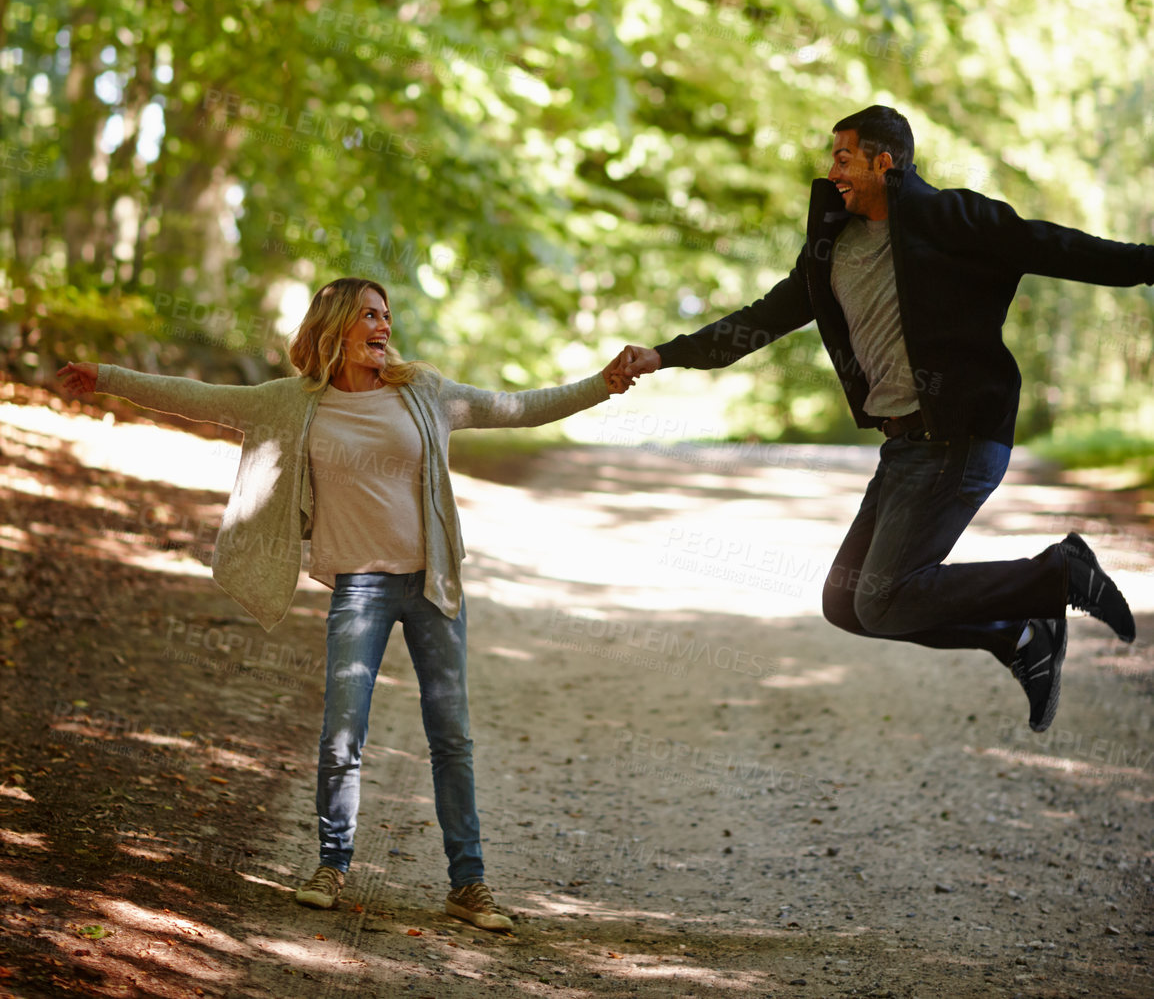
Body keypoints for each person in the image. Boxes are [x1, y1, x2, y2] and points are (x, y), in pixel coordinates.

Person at [59, 276, 637, 931]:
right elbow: (203, 399)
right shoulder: (295, 403)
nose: (383, 325)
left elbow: (520, 406)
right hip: (359, 587)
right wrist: (105, 375)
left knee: (452, 735)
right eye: (369, 315)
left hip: (432, 584)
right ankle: (332, 864)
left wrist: (602, 382)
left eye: (387, 315)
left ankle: (468, 883)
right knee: (342, 734)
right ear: (336, 327)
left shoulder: (425, 391)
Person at [616, 105, 1140, 734]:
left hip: (959, 435)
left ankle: (1058, 573)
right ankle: (1019, 636)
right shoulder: (831, 242)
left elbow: (1062, 247)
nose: (831, 169)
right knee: (847, 603)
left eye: (843, 157)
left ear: (882, 161)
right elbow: (769, 314)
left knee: (884, 601)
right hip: (904, 448)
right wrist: (667, 355)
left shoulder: (953, 219)